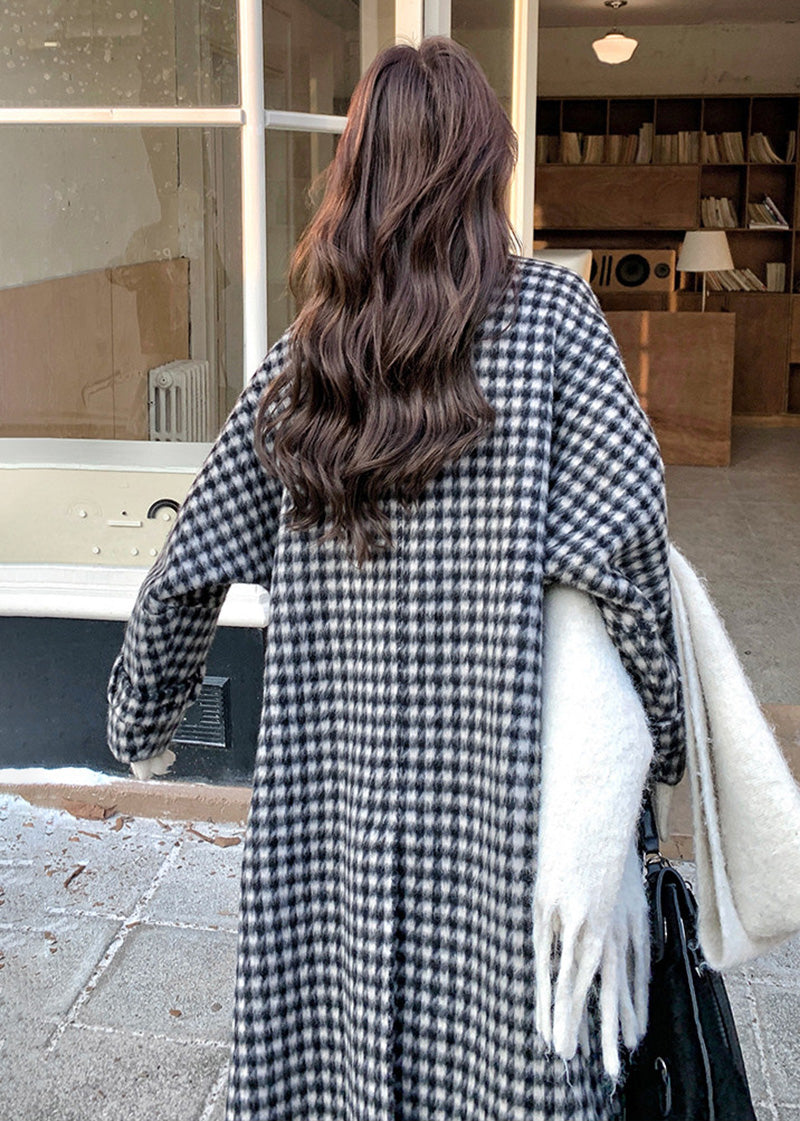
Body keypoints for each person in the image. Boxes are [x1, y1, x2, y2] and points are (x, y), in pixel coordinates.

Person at [107, 37, 685, 1121]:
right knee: (502, 1046)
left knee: (326, 1038)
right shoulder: (554, 322)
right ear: (485, 167)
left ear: (356, 170)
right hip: (498, 798)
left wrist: (144, 714)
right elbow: (623, 549)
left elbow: (190, 557)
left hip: (332, 803)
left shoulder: (309, 353)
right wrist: (662, 727)